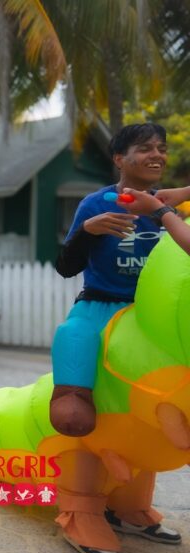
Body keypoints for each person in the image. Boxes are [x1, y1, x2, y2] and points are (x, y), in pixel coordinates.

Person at [50, 123, 188, 437]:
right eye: (145, 148)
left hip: (155, 314)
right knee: (73, 332)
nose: (157, 155)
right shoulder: (95, 205)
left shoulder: (169, 208)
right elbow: (65, 267)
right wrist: (88, 231)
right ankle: (72, 393)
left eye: (162, 149)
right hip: (101, 306)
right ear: (119, 159)